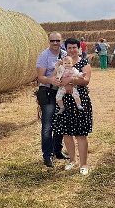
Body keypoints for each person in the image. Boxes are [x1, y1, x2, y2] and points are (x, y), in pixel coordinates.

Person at [51, 38, 93, 175]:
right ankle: (72, 160)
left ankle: (84, 164)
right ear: (66, 49)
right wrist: (62, 80)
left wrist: (71, 80)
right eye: (69, 48)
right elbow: (55, 79)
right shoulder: (62, 64)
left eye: (74, 47)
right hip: (64, 101)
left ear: (79, 48)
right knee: (66, 133)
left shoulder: (84, 63)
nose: (72, 50)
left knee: (81, 134)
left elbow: (85, 80)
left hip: (79, 101)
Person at [36, 31, 69, 168]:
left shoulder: (64, 54)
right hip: (48, 92)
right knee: (48, 125)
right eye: (52, 41)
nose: (55, 43)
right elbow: (40, 77)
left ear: (61, 41)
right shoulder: (44, 56)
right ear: (49, 42)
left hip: (61, 93)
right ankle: (47, 155)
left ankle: (58, 150)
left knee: (60, 123)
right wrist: (51, 80)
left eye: (57, 40)